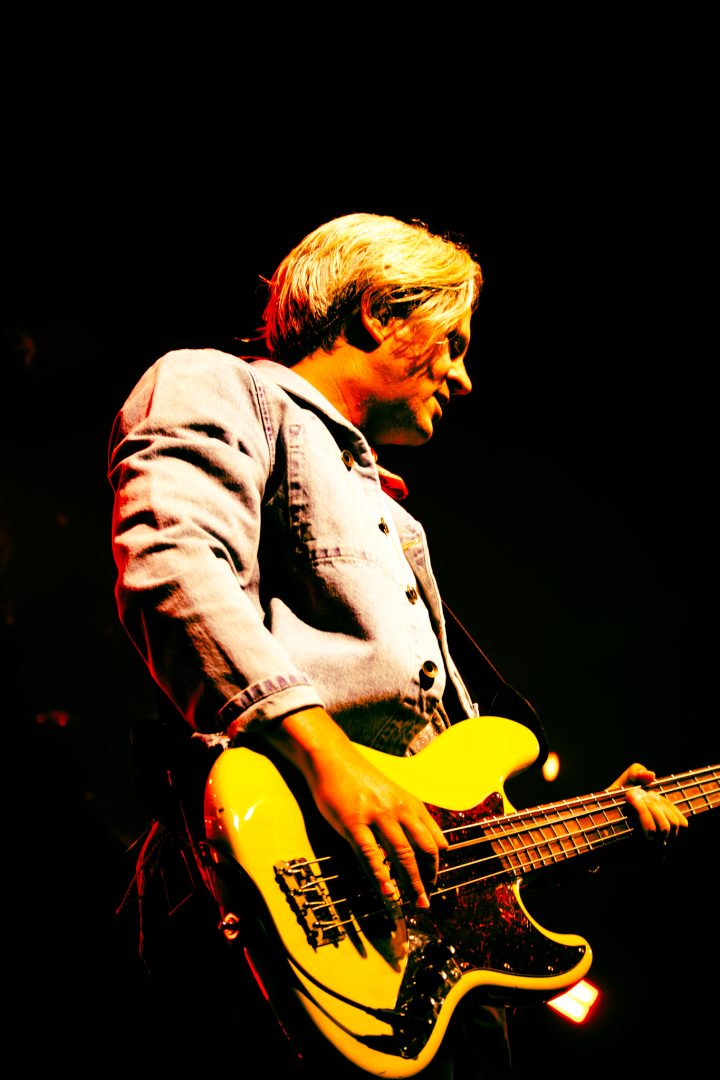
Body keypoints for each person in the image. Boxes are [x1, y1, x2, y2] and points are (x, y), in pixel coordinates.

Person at [107, 212, 688, 1078]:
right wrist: (326, 756)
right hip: (263, 892)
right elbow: (172, 565)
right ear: (380, 312)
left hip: (412, 964)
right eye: (452, 342)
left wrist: (596, 824)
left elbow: (431, 798)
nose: (463, 374)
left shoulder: (389, 507)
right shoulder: (219, 386)